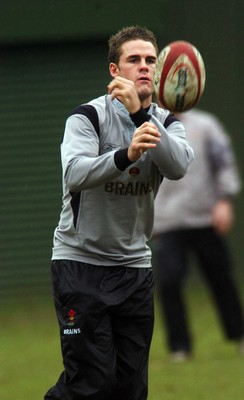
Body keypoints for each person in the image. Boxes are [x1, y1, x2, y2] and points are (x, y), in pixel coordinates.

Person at [44, 26, 194, 400]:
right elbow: (75, 174)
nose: (144, 67)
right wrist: (125, 155)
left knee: (130, 388)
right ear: (115, 71)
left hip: (134, 269)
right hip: (81, 265)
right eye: (133, 60)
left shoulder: (165, 122)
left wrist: (143, 115)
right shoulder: (87, 118)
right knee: (91, 384)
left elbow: (178, 166)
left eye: (150, 61)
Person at [153, 108, 244, 362]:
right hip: (167, 221)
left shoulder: (205, 125)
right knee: (169, 282)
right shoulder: (149, 125)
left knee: (221, 278)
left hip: (205, 217)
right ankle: (179, 347)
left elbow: (223, 163)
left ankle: (239, 334)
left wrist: (224, 200)